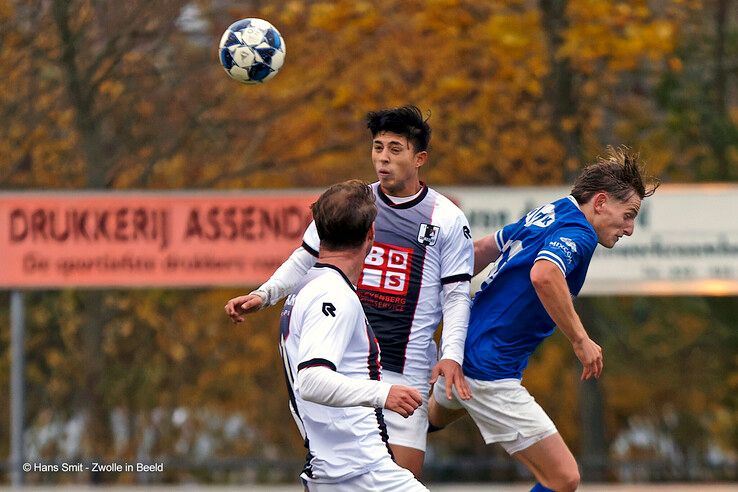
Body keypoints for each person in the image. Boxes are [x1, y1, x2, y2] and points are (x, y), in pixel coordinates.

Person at [225, 105, 474, 477]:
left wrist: (452, 354)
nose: (383, 159)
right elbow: (305, 258)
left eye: (395, 149)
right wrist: (264, 294)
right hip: (347, 369)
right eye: (377, 147)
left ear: (419, 158)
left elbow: (455, 296)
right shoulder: (353, 204)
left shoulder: (447, 218)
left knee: (400, 482)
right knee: (343, 478)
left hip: (406, 369)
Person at [428, 147, 659, 492]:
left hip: (461, 351)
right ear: (600, 203)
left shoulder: (551, 210)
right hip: (489, 369)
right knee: (564, 478)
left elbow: (480, 251)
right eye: (628, 215)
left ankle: (353, 445)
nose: (629, 229)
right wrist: (581, 339)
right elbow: (545, 274)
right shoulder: (580, 234)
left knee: (423, 421)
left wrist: (423, 298)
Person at [278, 179, 427, 491]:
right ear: (371, 235)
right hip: (360, 473)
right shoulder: (331, 295)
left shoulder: (308, 286)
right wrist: (384, 393)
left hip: (336, 473)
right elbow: (312, 380)